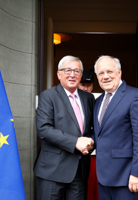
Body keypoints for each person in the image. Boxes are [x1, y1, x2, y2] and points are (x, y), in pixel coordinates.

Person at [34, 55, 95, 200]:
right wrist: (75, 142)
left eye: (76, 71)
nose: (72, 75)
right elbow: (44, 129)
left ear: (81, 75)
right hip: (52, 171)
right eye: (67, 70)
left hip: (79, 172)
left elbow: (93, 129)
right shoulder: (48, 96)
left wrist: (90, 143)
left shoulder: (88, 98)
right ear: (58, 74)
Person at [92, 55, 138, 200]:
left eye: (109, 72)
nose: (105, 76)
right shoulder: (99, 101)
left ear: (119, 72)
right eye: (101, 73)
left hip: (128, 179)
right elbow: (102, 134)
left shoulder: (136, 96)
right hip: (104, 179)